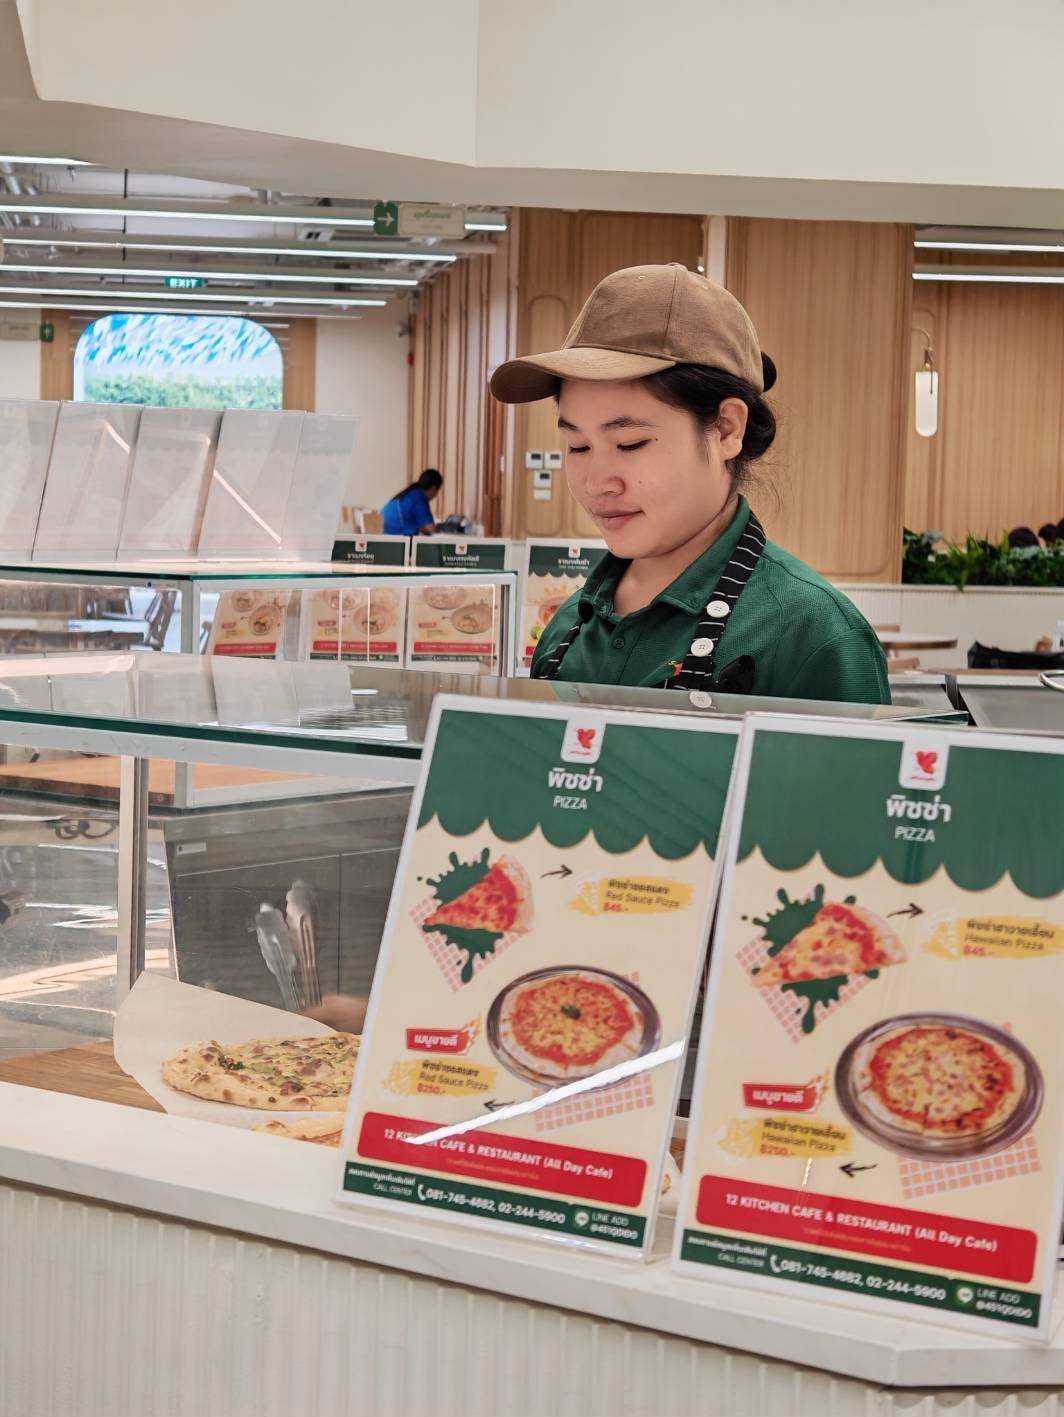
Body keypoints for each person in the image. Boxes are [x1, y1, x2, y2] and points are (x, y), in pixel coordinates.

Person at [490, 263, 889, 704]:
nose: (597, 483)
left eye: (631, 443)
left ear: (726, 429)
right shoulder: (567, 628)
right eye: (578, 446)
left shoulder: (814, 637)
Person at [380, 468, 442, 536]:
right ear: (433, 489)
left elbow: (423, 527)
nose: (435, 495)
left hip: (383, 532)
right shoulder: (419, 498)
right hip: (394, 535)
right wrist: (443, 530)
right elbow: (431, 529)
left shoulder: (411, 492)